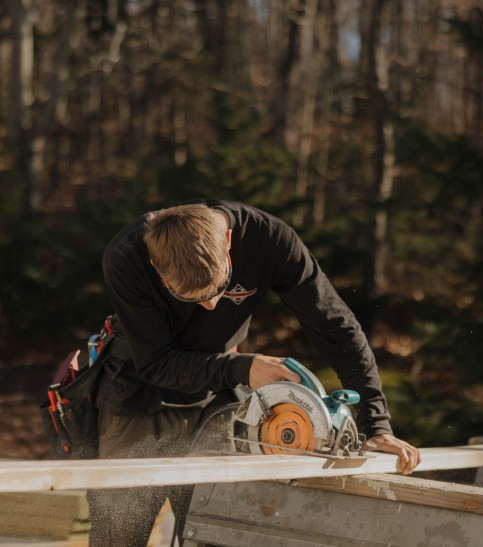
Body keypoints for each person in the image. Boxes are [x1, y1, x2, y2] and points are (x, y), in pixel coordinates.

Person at [86, 199, 420, 546]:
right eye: (192, 298)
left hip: (216, 403)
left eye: (218, 289)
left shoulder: (271, 240)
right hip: (136, 398)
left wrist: (375, 423)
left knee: (213, 532)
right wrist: (244, 368)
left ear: (227, 242)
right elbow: (158, 364)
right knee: (118, 536)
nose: (211, 306)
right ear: (155, 266)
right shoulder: (127, 255)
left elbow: (337, 328)